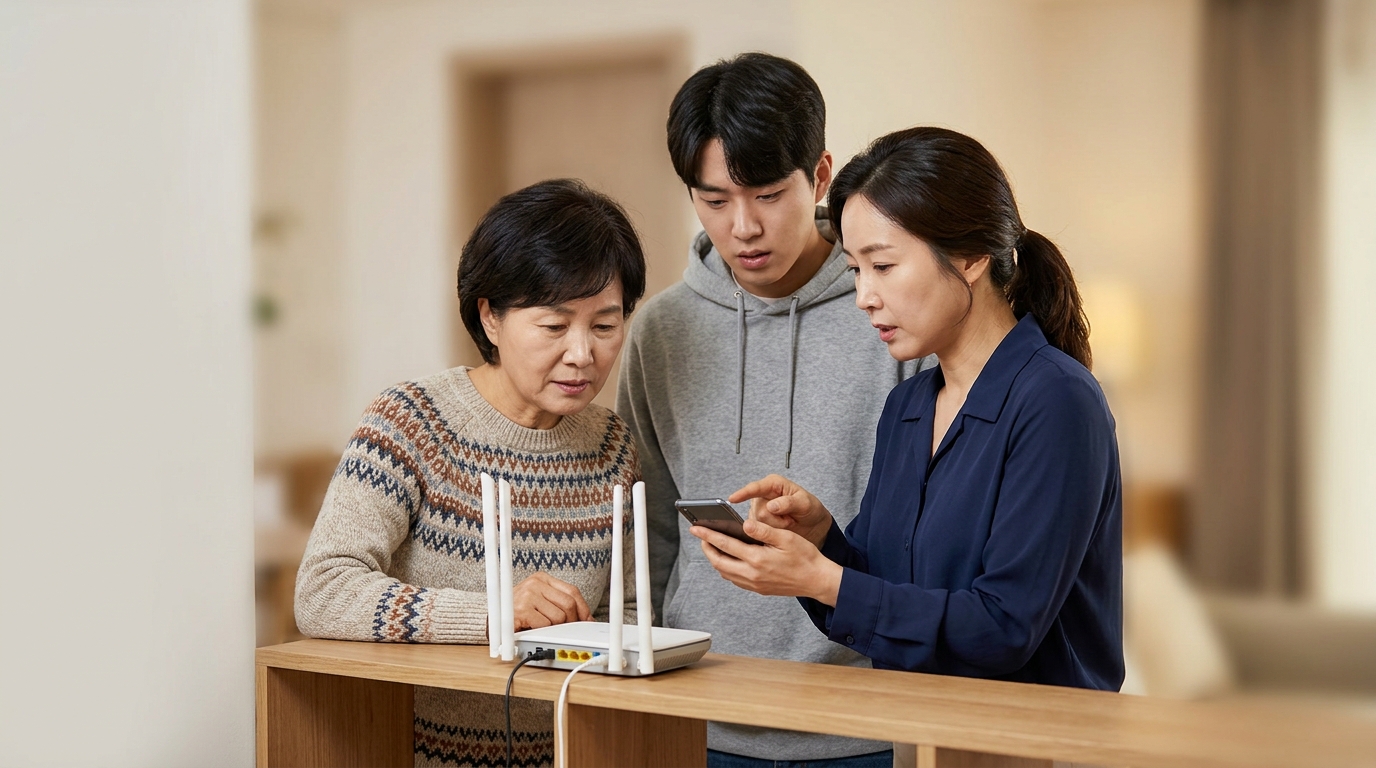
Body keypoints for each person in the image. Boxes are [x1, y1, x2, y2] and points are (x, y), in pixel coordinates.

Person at [694, 127, 1124, 692]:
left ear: (970, 255)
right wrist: (821, 540)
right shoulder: (910, 406)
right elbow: (887, 608)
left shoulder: (1056, 400)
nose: (864, 296)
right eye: (854, 269)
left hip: (1034, 745)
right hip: (922, 739)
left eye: (884, 266)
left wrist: (826, 580)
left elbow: (1004, 629)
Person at [617, 53, 929, 767]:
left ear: (820, 176)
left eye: (766, 194)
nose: (743, 227)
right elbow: (649, 529)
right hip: (699, 715)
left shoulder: (892, 313)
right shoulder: (661, 332)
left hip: (868, 725)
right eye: (715, 199)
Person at [295, 179, 646, 768]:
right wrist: (494, 614)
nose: (583, 353)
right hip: (413, 753)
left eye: (605, 327)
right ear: (490, 316)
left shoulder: (611, 445)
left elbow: (629, 616)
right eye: (555, 327)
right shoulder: (413, 423)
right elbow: (323, 590)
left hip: (571, 752)